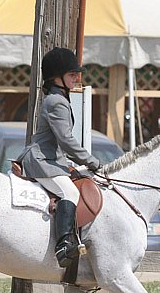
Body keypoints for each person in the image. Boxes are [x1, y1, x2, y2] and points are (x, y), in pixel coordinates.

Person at [16, 47, 101, 267]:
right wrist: (92, 161)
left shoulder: (59, 98)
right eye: (72, 74)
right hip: (43, 161)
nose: (76, 78)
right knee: (70, 192)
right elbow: (65, 140)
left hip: (54, 160)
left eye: (76, 74)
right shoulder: (57, 101)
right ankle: (63, 246)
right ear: (56, 77)